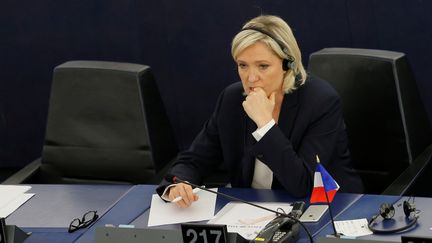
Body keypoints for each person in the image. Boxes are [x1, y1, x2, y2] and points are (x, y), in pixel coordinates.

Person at [157, 15, 363, 208]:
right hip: (252, 211)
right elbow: (194, 160)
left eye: (263, 66)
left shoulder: (321, 102)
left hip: (325, 208)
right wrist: (178, 184)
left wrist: (265, 124)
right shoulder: (232, 99)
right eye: (243, 65)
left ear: (287, 65)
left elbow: (303, 184)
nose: (251, 78)